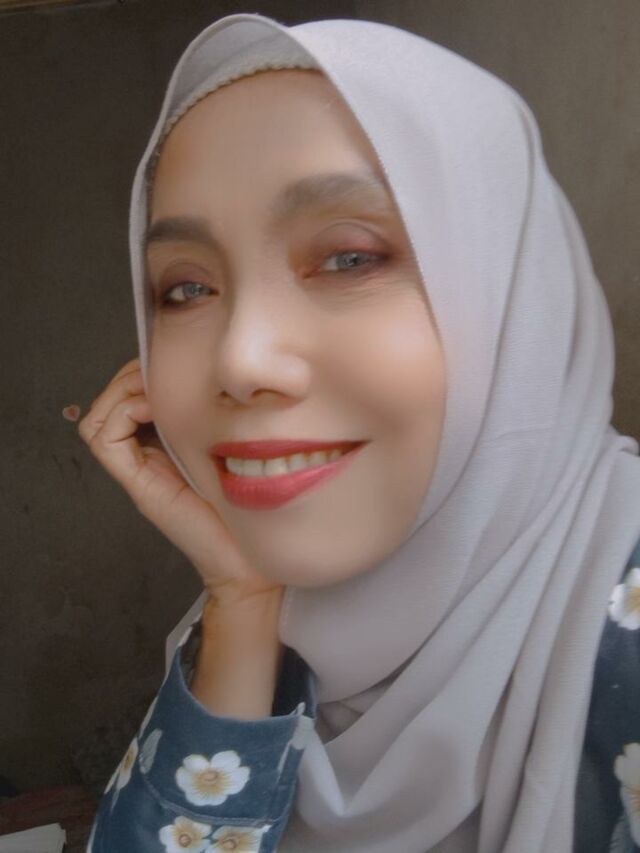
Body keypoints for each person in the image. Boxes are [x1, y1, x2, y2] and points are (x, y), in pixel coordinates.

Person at [74, 11, 640, 853]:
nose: (241, 358)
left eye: (349, 257)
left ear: (514, 292)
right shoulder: (264, 617)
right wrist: (242, 602)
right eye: (186, 288)